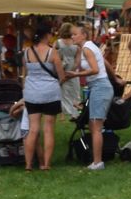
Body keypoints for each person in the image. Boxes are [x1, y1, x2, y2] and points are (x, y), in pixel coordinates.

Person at [21, 21, 65, 172]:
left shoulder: (27, 52)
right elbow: (61, 75)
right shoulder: (52, 52)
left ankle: (28, 164)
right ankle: (46, 164)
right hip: (50, 93)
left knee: (33, 129)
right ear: (47, 35)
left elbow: (25, 73)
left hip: (32, 93)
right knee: (48, 129)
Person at [74, 22, 115, 170]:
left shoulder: (87, 48)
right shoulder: (89, 46)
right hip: (98, 86)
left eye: (75, 34)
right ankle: (96, 159)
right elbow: (103, 62)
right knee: (93, 125)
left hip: (99, 86)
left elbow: (95, 69)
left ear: (83, 35)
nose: (72, 36)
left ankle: (98, 162)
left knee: (96, 126)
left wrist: (77, 74)